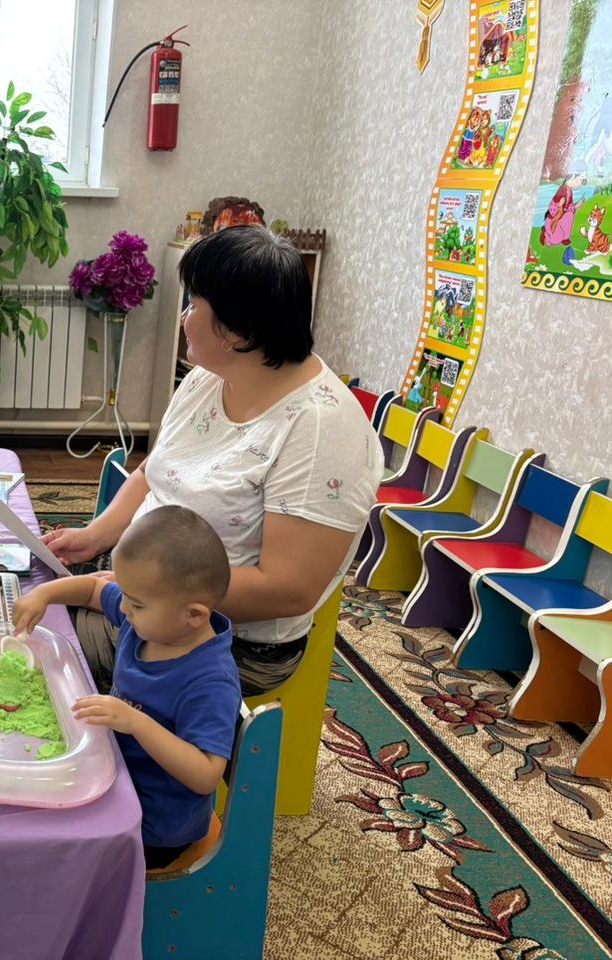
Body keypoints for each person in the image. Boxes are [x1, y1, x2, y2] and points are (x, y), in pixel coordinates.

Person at [44, 226, 384, 696]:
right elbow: (155, 472)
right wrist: (95, 535)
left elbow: (289, 589)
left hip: (218, 638)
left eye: (193, 304)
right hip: (143, 590)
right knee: (22, 588)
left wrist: (140, 591)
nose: (185, 318)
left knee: (42, 649)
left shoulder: (322, 428)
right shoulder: (207, 378)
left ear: (237, 332)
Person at [13, 506, 240, 869]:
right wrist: (44, 593)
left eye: (135, 604)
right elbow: (93, 589)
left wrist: (136, 722)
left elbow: (205, 775)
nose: (122, 607)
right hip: (116, 772)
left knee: (41, 843)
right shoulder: (152, 620)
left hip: (153, 826)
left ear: (194, 615)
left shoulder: (210, 682)